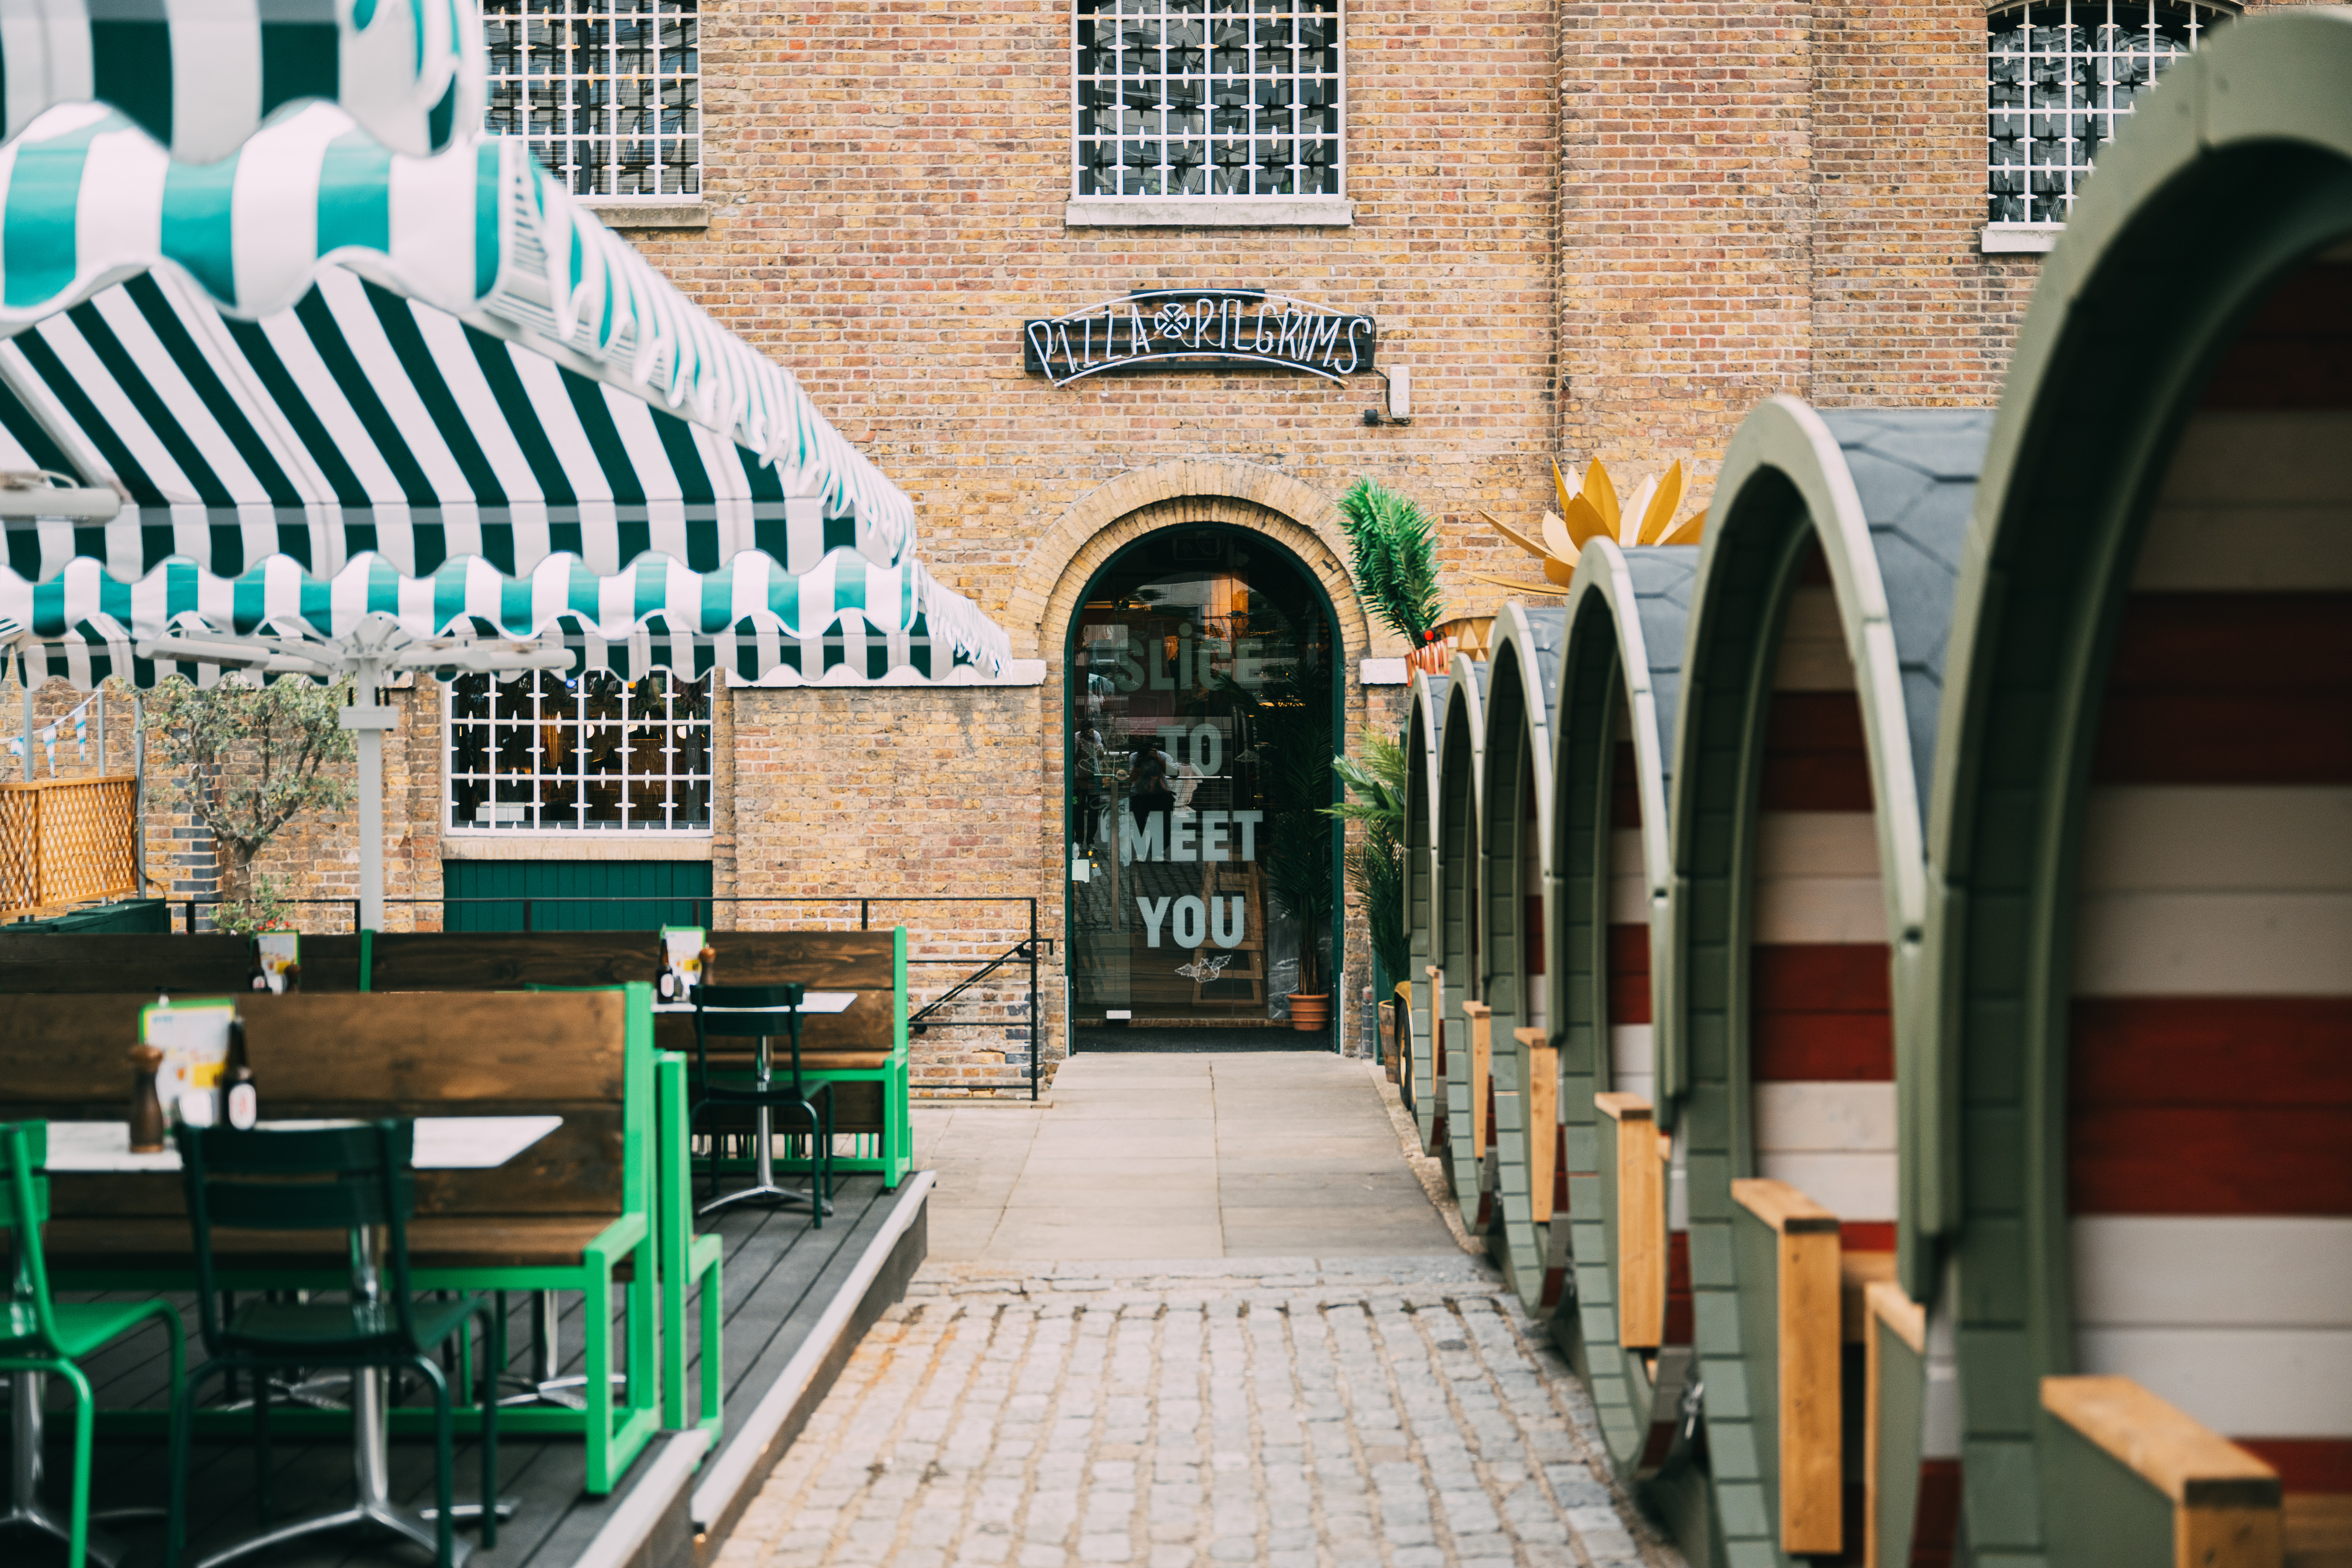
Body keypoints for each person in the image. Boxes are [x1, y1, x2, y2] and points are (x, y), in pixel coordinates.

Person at [1129, 734, 1176, 852]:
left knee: (1164, 825)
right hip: (1140, 795)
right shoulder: (1135, 757)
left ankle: (1158, 851)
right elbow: (1131, 779)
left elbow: (1175, 774)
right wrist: (1139, 763)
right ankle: (1141, 852)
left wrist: (1159, 760)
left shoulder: (1163, 756)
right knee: (1138, 825)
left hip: (1160, 794)